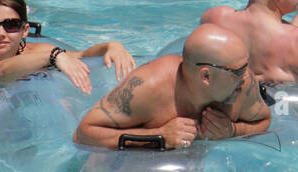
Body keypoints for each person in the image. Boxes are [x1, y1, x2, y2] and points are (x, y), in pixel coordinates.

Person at [74, 25, 270, 156]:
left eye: (245, 67)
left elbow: (264, 120)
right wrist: (158, 136)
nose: (246, 77)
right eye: (238, 71)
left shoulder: (241, 86)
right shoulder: (148, 87)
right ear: (206, 76)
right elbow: (83, 134)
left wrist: (232, 131)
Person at [0, 0, 134, 90]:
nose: (0, 33)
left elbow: (82, 55)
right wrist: (53, 55)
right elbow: (1, 71)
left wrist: (112, 46)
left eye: (11, 25)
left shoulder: (38, 52)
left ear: (25, 30)